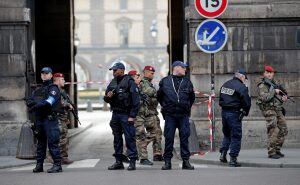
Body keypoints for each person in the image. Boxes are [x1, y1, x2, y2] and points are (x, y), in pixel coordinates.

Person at [157, 61, 195, 170]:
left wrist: (186, 107)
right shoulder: (165, 81)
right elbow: (159, 96)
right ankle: (167, 162)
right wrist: (165, 106)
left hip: (183, 115)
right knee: (169, 138)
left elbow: (191, 98)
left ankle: (186, 161)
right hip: (170, 115)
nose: (185, 70)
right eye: (184, 68)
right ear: (177, 68)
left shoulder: (187, 82)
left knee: (184, 137)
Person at [104, 61, 140, 171]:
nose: (114, 72)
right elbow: (106, 98)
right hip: (116, 114)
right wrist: (108, 97)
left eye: (115, 70)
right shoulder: (113, 82)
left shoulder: (129, 81)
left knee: (129, 138)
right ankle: (118, 162)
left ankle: (132, 161)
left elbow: (136, 101)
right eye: (113, 71)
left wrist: (132, 116)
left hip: (126, 114)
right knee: (117, 139)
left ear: (122, 70)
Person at [26, 67, 62, 173]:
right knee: (40, 143)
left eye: (47, 73)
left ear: (51, 75)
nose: (44, 75)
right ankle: (39, 165)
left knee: (52, 142)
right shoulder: (38, 89)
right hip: (40, 119)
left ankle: (57, 165)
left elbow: (49, 101)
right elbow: (29, 100)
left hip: (50, 119)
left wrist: (36, 105)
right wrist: (33, 104)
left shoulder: (53, 88)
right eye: (42, 73)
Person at [130, 67, 164, 165]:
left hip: (151, 112)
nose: (152, 75)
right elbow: (150, 92)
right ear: (145, 73)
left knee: (157, 133)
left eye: (153, 73)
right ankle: (137, 151)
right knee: (146, 134)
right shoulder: (143, 82)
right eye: (150, 73)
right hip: (145, 112)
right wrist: (160, 92)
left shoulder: (149, 83)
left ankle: (157, 154)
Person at [219, 69, 251, 167]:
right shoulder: (242, 87)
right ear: (242, 77)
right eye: (245, 78)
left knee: (227, 134)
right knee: (236, 136)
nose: (245, 80)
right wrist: (244, 112)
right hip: (234, 113)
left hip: (224, 113)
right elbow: (247, 102)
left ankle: (223, 154)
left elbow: (220, 98)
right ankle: (233, 159)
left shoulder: (225, 84)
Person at [256, 65, 288, 159]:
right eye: (267, 72)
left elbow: (277, 99)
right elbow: (265, 98)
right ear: (264, 73)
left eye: (271, 73)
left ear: (273, 74)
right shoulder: (262, 85)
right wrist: (274, 91)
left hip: (277, 109)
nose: (269, 74)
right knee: (273, 130)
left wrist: (283, 98)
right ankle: (271, 152)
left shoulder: (274, 84)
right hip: (269, 110)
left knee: (284, 128)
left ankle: (277, 149)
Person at [52, 73, 74, 165]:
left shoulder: (62, 91)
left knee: (64, 138)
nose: (64, 81)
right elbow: (56, 103)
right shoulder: (54, 90)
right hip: (57, 118)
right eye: (62, 79)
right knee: (59, 139)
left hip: (63, 118)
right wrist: (67, 105)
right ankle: (56, 158)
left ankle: (63, 157)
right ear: (57, 80)